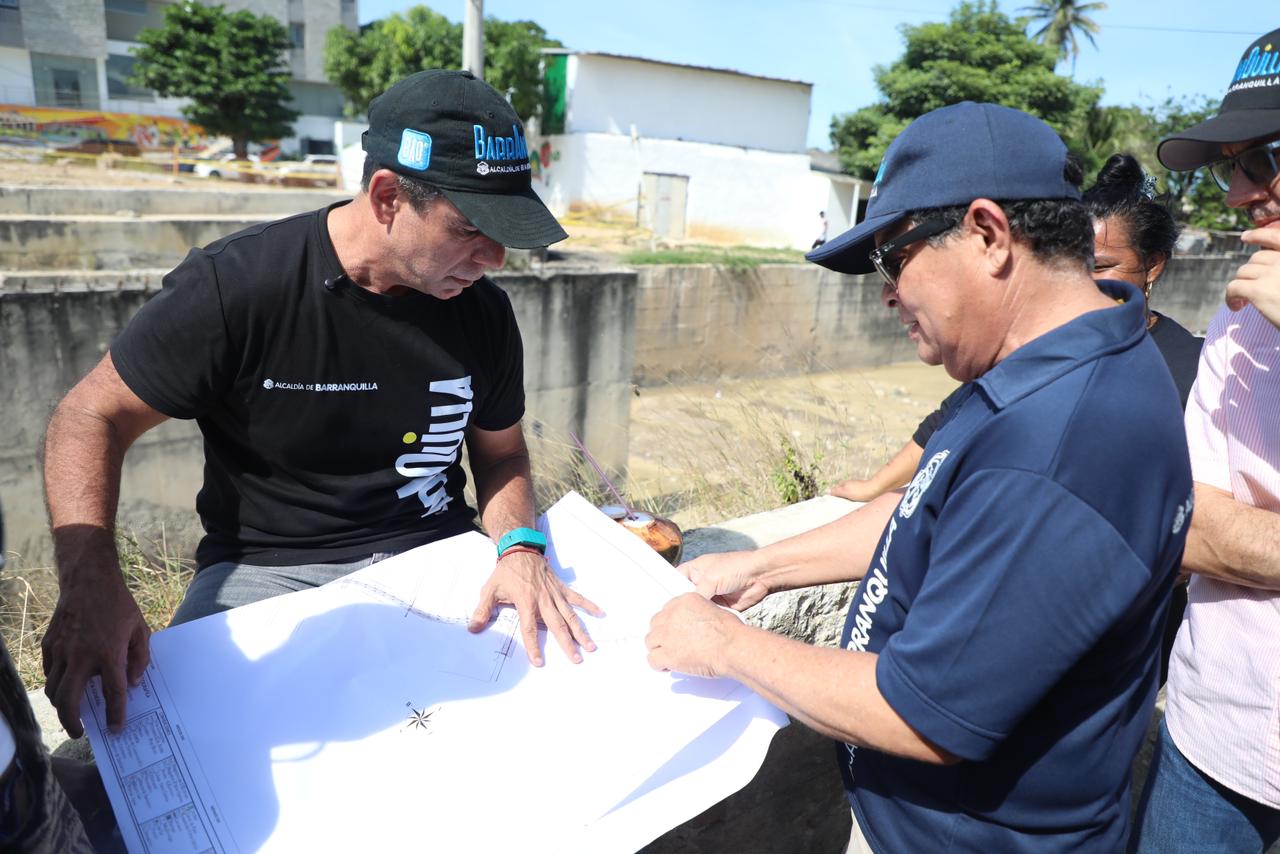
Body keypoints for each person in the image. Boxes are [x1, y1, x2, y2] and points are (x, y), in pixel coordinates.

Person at [645, 102, 1192, 852]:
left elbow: (923, 716)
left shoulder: (1059, 444)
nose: (888, 293)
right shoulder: (1060, 357)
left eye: (894, 258)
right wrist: (766, 565)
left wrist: (726, 646)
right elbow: (935, 503)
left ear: (989, 234)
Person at [40, 69, 601, 743]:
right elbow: (89, 416)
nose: (496, 258)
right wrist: (89, 581)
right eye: (471, 227)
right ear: (389, 197)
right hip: (266, 572)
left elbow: (502, 453)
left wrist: (517, 546)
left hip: (435, 557)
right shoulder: (240, 288)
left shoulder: (482, 312)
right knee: (172, 746)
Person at [830, 151, 1201, 505]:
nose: (1084, 280)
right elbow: (952, 418)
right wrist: (876, 486)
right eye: (1074, 263)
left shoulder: (1191, 372)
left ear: (1153, 265)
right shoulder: (1039, 346)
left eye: (1102, 267)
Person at [1128, 27, 1280, 854]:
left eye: (1269, 156)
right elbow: (1192, 524)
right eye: (1231, 165)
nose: (1240, 192)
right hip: (1217, 734)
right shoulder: (1238, 326)